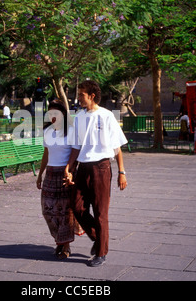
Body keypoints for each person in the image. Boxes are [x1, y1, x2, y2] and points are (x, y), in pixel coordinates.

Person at [64, 80, 128, 267]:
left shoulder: (106, 116)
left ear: (91, 95)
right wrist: (69, 167)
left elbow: (117, 149)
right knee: (77, 206)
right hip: (83, 168)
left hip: (101, 168)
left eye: (82, 94)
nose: (79, 98)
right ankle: (98, 239)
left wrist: (121, 172)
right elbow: (76, 147)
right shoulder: (79, 117)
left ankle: (101, 253)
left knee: (101, 212)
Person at [36, 100, 84, 260]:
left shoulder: (71, 131)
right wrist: (40, 174)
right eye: (50, 114)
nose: (52, 116)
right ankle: (59, 239)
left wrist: (70, 171)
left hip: (65, 174)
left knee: (65, 212)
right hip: (50, 173)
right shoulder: (48, 131)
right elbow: (46, 154)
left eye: (55, 113)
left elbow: (75, 153)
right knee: (47, 210)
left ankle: (65, 245)